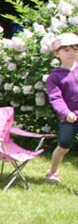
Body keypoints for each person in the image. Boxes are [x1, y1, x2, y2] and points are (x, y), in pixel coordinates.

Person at [45, 33, 78, 183]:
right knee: (64, 147)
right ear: (56, 53)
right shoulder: (55, 76)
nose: (71, 53)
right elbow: (55, 98)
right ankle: (52, 172)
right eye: (66, 50)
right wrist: (66, 113)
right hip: (69, 119)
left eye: (75, 49)